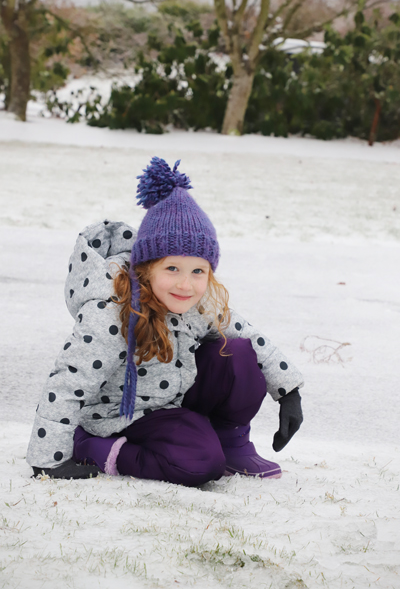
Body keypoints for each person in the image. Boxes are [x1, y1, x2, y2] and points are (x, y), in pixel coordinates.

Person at [27, 157, 304, 486]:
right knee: (200, 463)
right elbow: (68, 382)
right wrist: (49, 459)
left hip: (174, 400)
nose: (185, 285)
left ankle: (231, 444)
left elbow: (252, 336)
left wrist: (289, 392)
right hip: (120, 416)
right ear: (146, 267)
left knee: (239, 352)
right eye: (172, 268)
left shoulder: (196, 302)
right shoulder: (112, 312)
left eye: (198, 271)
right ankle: (96, 447)